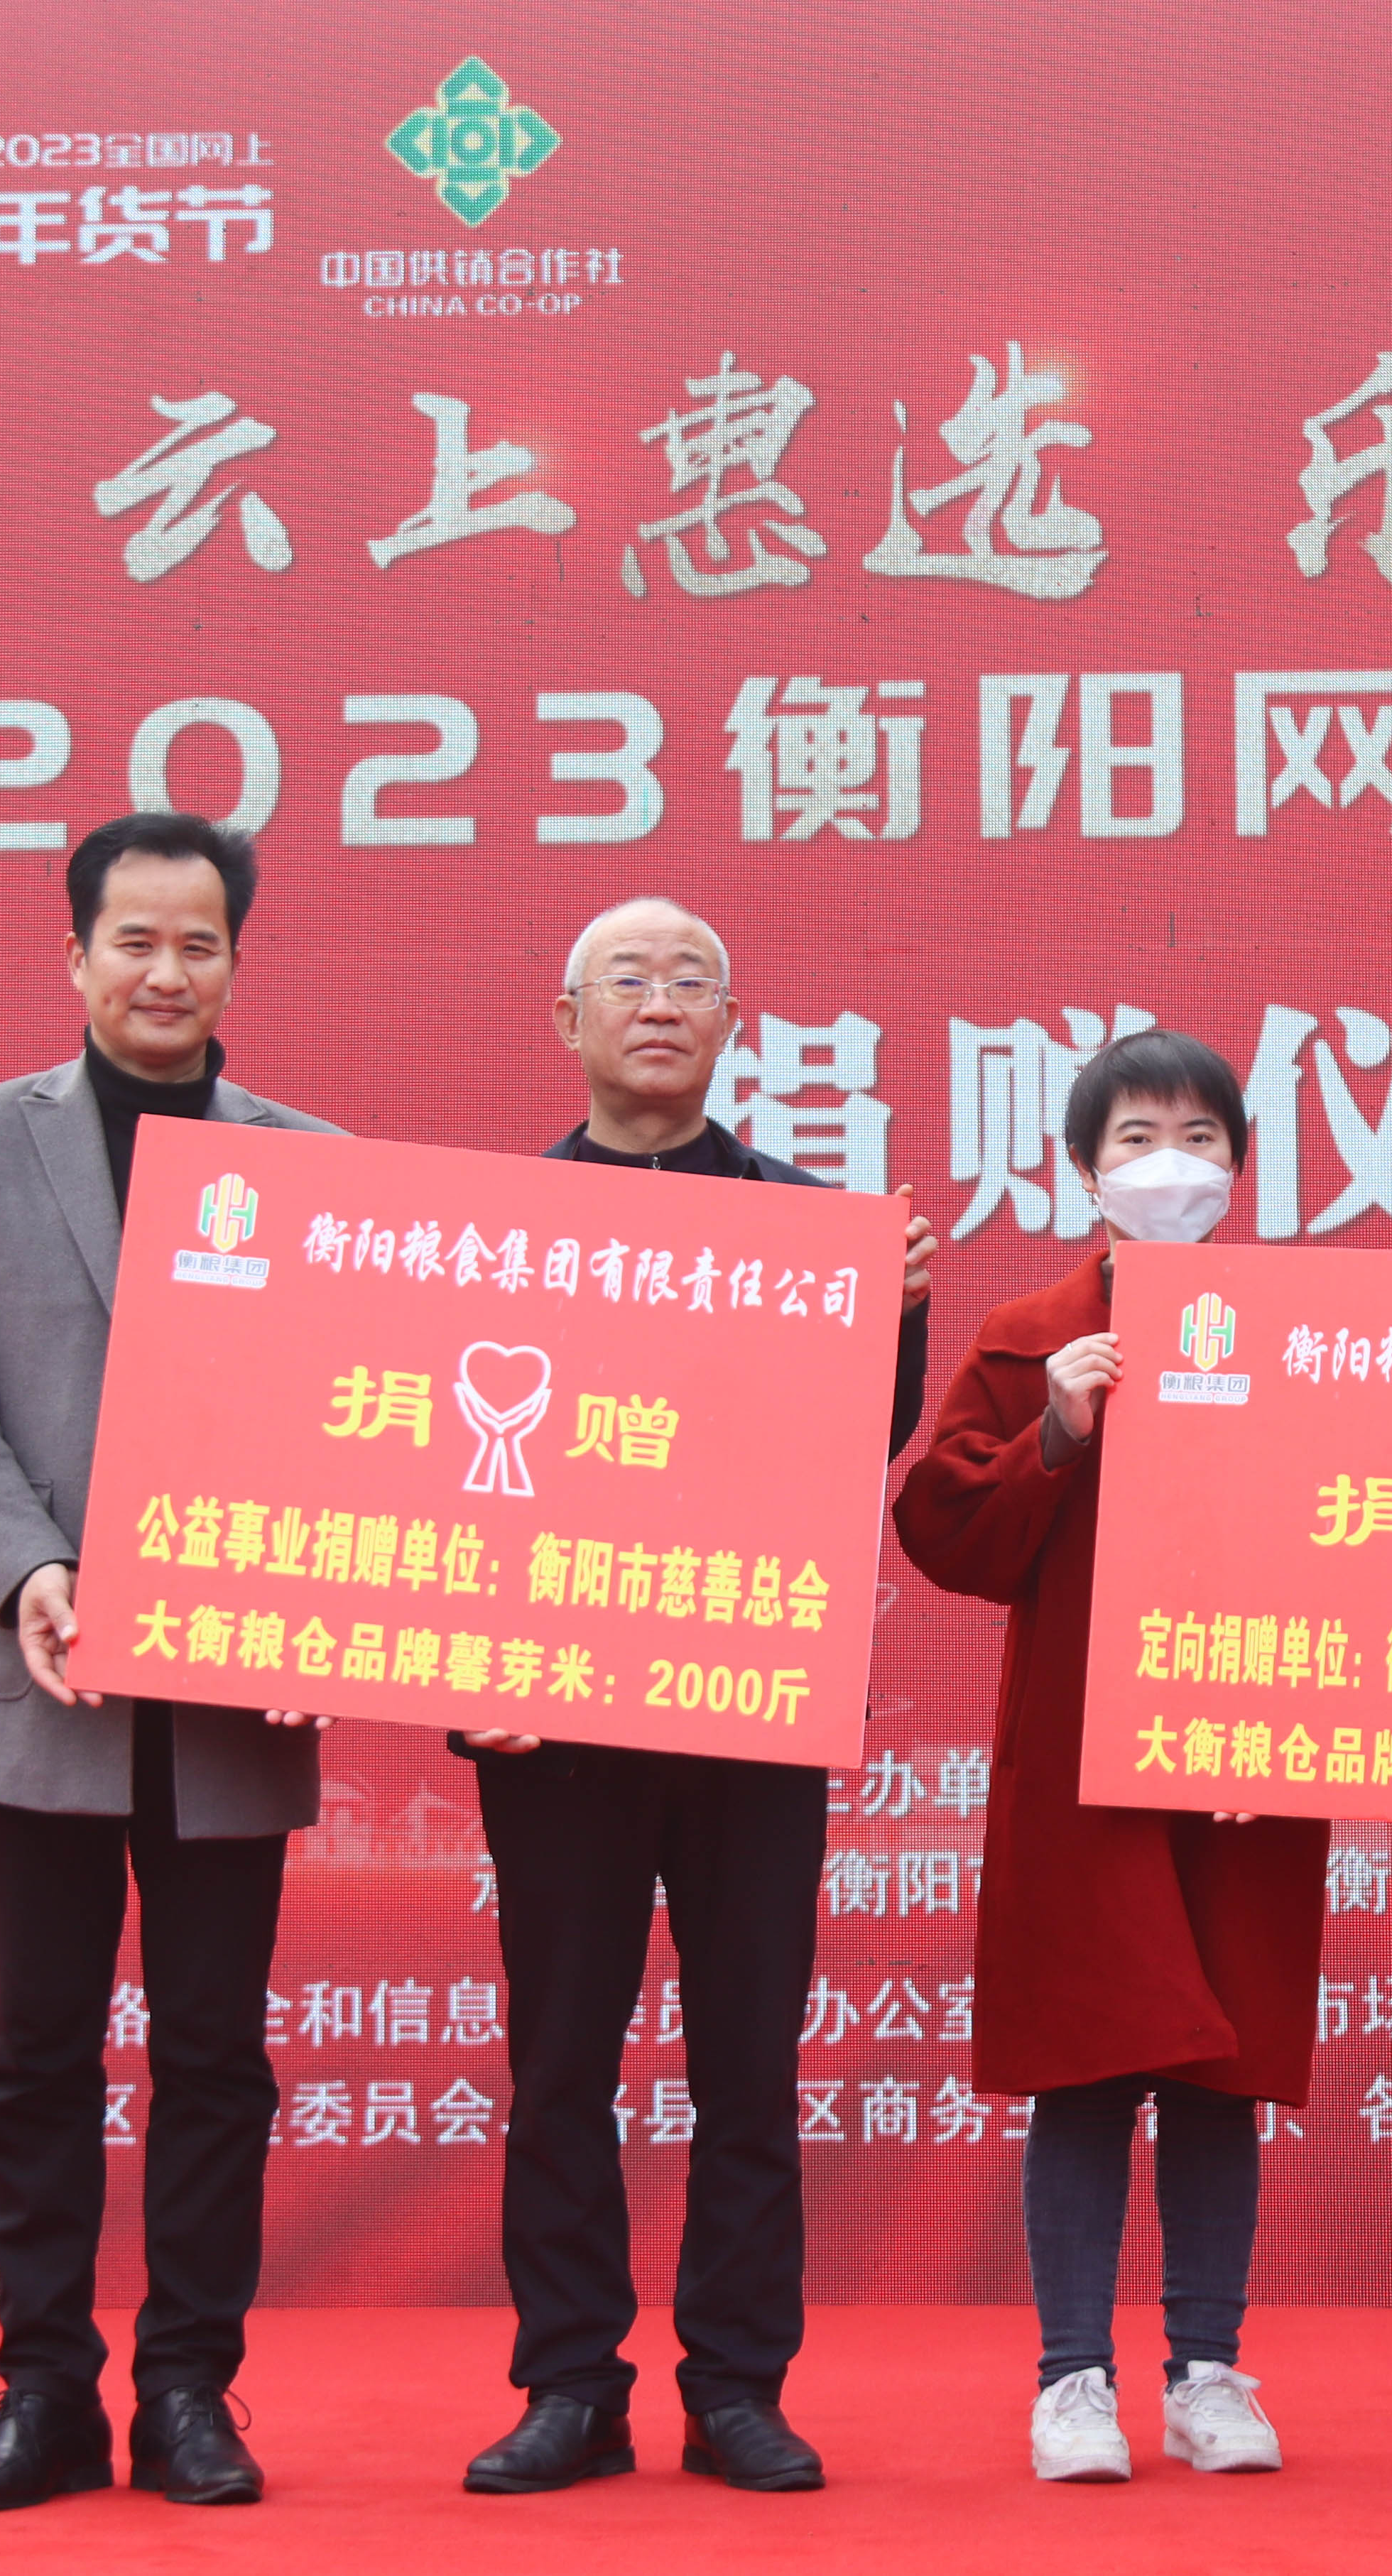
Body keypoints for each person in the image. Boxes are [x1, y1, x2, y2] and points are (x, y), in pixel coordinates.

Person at [452, 897, 937, 2498]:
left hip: (743, 1703)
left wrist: (895, 1314)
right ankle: (569, 2384)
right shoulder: (494, 1232)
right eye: (627, 979)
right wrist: (467, 1674)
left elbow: (853, 1449)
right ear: (568, 1020)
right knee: (559, 2066)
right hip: (554, 1728)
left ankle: (737, 2385)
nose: (658, 1003)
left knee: (748, 2067)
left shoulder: (812, 1226)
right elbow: (447, 1475)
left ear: (734, 1025)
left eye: (690, 981)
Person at [0, 814, 338, 2514]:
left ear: (236, 963)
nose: (165, 971)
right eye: (133, 940)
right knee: (40, 2049)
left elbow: (344, 1422)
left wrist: (314, 1603)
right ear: (75, 954)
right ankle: (43, 2388)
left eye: (197, 942)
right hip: (41, 1677)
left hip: (229, 1697)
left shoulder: (310, 1166)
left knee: (217, 2055)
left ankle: (189, 2389)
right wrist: (31, 1567)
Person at [893, 1030, 1330, 2484]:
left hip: (1242, 1757)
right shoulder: (1028, 1335)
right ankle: (1070, 2377)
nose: (1168, 1163)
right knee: (1083, 2065)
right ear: (1084, 1169)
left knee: (1218, 2068)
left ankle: (1208, 2370)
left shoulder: (1308, 1332)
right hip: (1082, 1762)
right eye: (1136, 1136)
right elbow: (945, 1534)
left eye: (1199, 1137)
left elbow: (1356, 1536)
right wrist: (1058, 1429)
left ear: (1239, 1166)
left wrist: (1292, 1721)